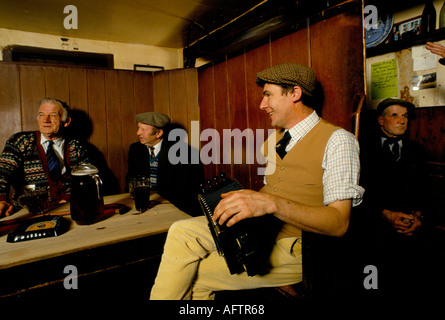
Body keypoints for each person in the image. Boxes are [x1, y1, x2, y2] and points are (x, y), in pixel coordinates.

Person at [149, 63, 364, 300]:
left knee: (195, 275)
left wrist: (271, 203)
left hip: (302, 248)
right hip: (262, 231)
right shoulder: (275, 138)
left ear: (295, 93)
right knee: (181, 231)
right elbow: (276, 186)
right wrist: (243, 200)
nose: (262, 105)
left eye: (268, 95)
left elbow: (338, 223)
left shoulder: (338, 141)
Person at [359, 98, 430, 296]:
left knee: (407, 284)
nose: (402, 121)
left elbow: (426, 191)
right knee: (372, 285)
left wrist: (418, 217)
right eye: (395, 115)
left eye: (405, 116)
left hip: (410, 232)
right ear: (381, 120)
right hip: (374, 233)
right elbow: (360, 193)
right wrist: (386, 214)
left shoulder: (418, 151)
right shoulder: (362, 150)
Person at [0, 98, 89, 217]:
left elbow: (87, 179)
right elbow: (2, 172)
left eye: (53, 115)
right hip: (28, 214)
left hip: (68, 209)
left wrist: (68, 199)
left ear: (66, 121)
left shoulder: (76, 146)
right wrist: (1, 199)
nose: (46, 120)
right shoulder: (20, 142)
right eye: (41, 115)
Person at [126, 111, 204, 216]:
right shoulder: (135, 149)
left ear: (159, 133)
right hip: (143, 207)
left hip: (172, 208)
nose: (138, 133)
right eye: (138, 128)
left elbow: (184, 192)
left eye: (143, 130)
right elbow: (130, 180)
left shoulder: (182, 153)